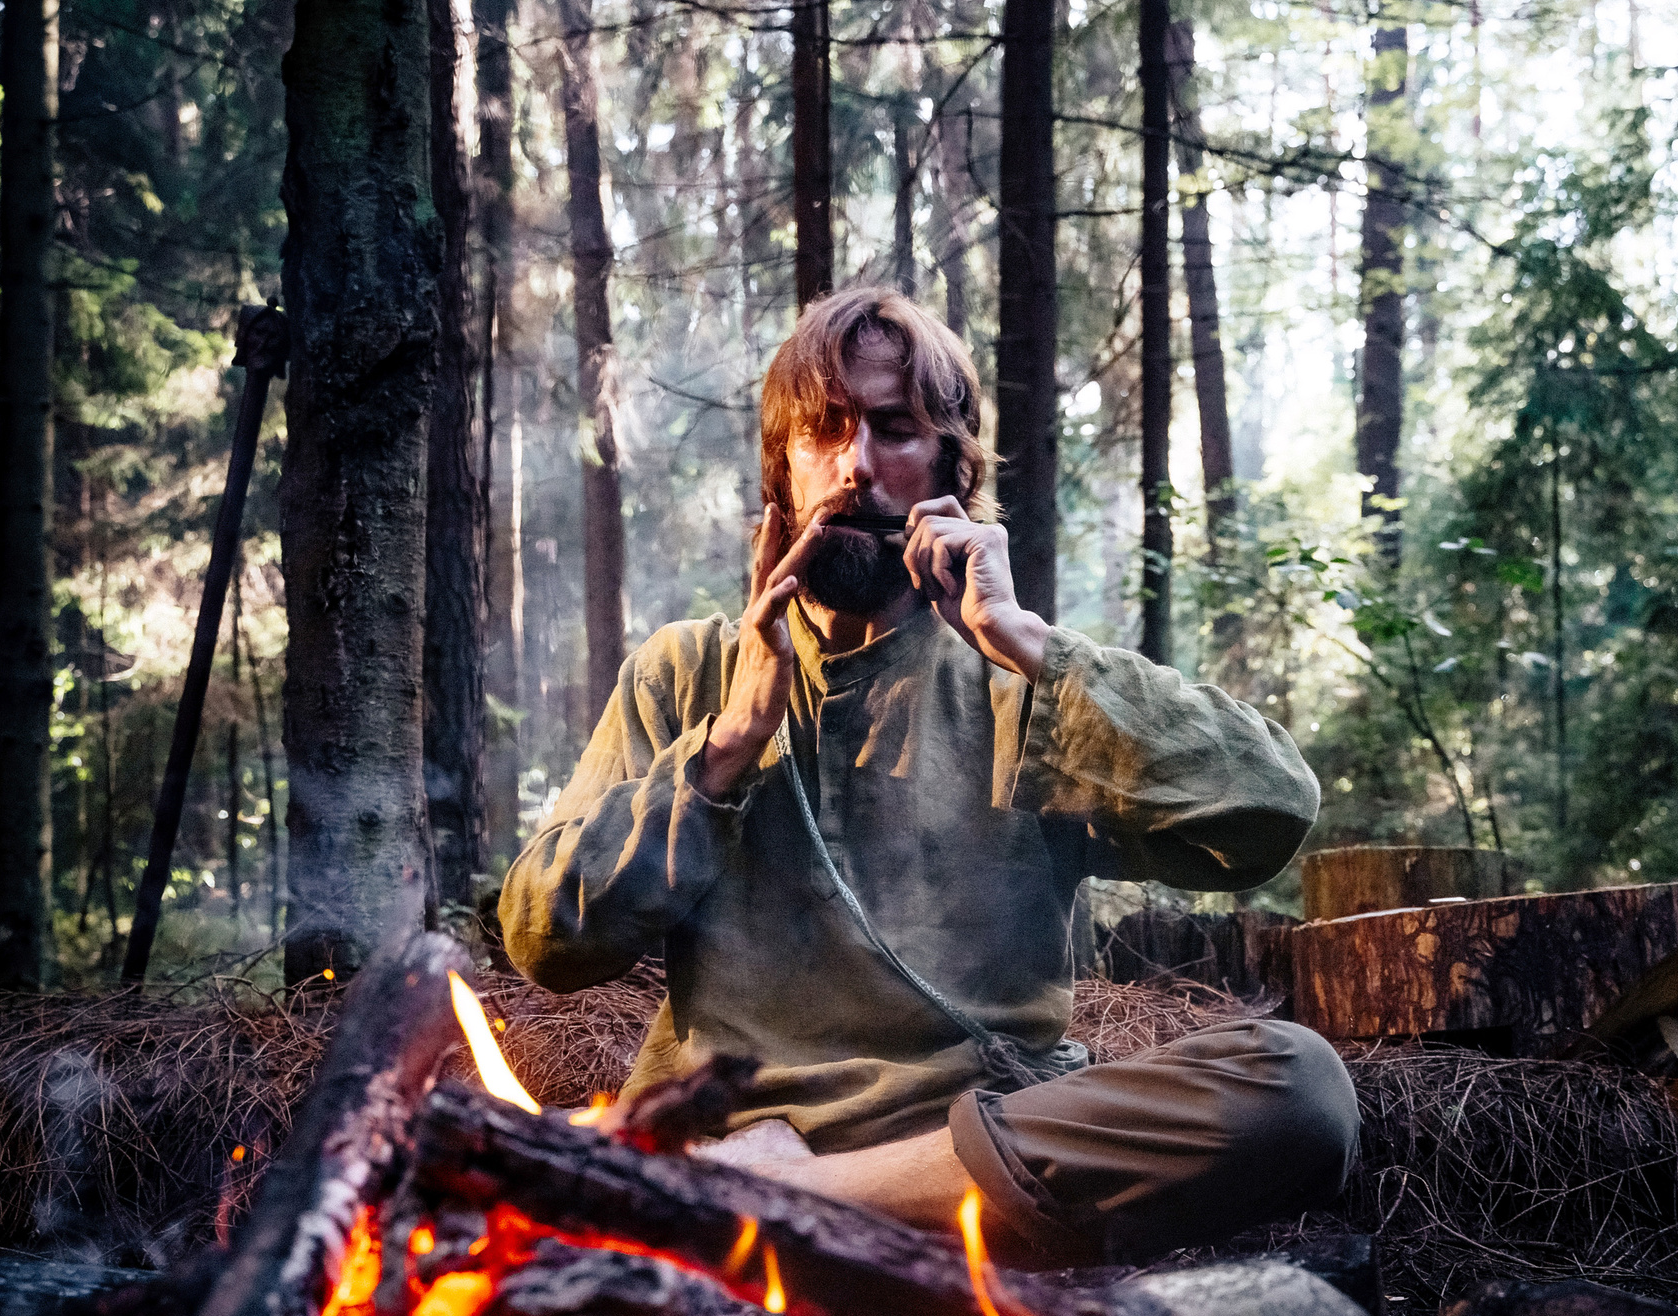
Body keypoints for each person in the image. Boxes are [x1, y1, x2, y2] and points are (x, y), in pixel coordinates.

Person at [500, 286, 1358, 1263]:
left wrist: (1026, 642)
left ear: (953, 469)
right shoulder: (687, 670)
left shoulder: (1020, 683)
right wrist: (728, 744)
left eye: (895, 429)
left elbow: (1270, 812)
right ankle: (767, 1205)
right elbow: (543, 938)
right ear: (780, 471)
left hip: (959, 1171)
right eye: (823, 431)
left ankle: (796, 1203)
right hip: (733, 1134)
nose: (856, 465)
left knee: (1301, 1088)